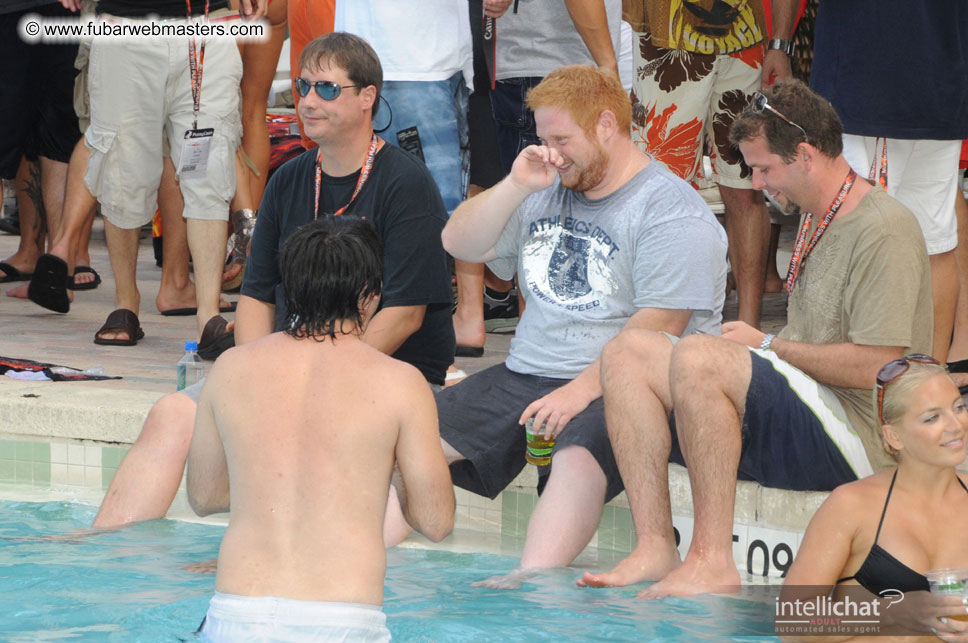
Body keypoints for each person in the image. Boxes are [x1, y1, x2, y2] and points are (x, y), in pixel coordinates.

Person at [578, 79, 933, 598]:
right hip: (810, 407)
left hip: (861, 434)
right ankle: (655, 544)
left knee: (701, 357)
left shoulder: (884, 228)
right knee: (628, 352)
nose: (759, 182)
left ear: (806, 155)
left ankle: (711, 559)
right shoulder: (818, 214)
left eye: (765, 168)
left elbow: (877, 366)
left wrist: (765, 347)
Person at [91, 31, 455, 529]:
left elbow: (406, 313)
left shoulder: (405, 182)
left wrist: (322, 379)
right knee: (171, 414)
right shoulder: (290, 178)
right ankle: (107, 553)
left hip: (381, 365)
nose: (307, 100)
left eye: (327, 89)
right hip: (290, 361)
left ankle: (260, 544)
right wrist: (255, 376)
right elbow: (258, 297)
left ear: (368, 96)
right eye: (303, 86)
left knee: (309, 432)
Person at [385, 64, 728, 587]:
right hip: (526, 372)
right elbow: (458, 243)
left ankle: (529, 584)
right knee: (399, 441)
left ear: (607, 125)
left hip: (624, 383)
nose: (551, 152)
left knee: (574, 457)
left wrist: (575, 394)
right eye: (542, 138)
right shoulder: (544, 186)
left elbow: (659, 325)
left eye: (561, 139)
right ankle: (344, 558)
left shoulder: (670, 209)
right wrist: (515, 184)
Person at [188, 217, 454, 641]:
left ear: (290, 288)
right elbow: (436, 522)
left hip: (237, 616)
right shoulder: (400, 383)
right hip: (342, 621)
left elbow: (204, 498)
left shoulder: (231, 369)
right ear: (369, 295)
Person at [793, 1, 968, 366]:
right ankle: (925, 388)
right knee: (935, 241)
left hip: (867, 82)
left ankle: (869, 385)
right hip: (938, 77)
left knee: (848, 239)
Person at [621, 0, 798, 328]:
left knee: (746, 186)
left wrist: (780, 42)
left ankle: (747, 328)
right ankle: (665, 323)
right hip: (666, 35)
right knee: (664, 188)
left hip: (747, 36)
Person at [781, 356, 968, 640]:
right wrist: (891, 613)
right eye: (932, 417)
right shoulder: (852, 507)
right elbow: (792, 623)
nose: (956, 425)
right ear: (894, 436)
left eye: (959, 407)